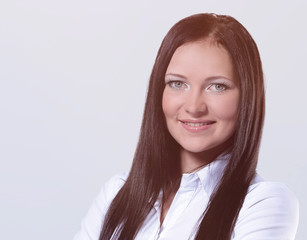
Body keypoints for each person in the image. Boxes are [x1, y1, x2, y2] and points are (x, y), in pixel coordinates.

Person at [74, 13, 299, 240]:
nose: (194, 106)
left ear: (247, 98)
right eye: (178, 84)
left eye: (217, 87)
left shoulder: (263, 203)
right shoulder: (117, 193)